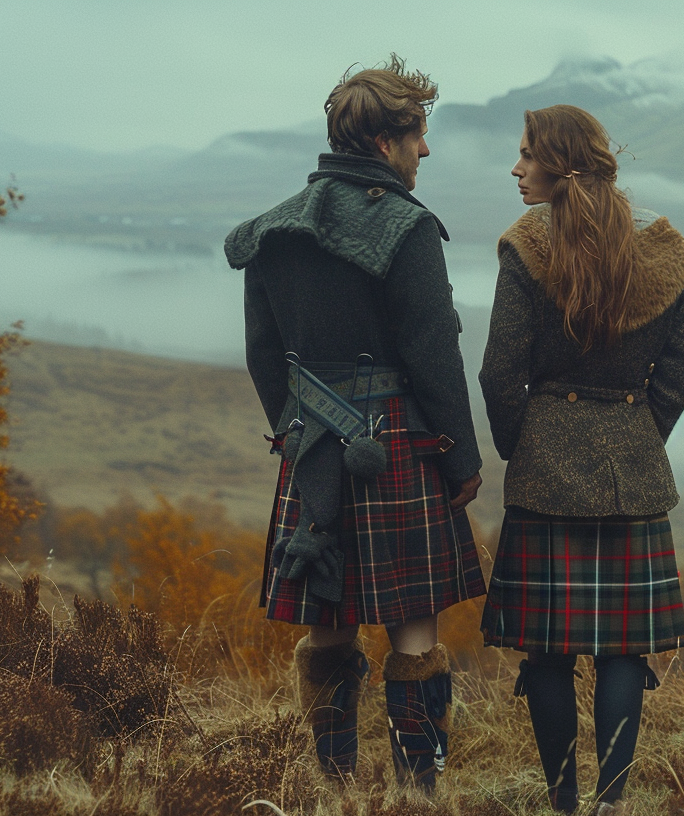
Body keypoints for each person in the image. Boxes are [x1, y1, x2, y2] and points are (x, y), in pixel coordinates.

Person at [224, 55, 483, 792]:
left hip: (311, 448)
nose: (424, 149)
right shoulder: (406, 228)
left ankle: (335, 783)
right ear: (383, 143)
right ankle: (417, 789)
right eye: (418, 134)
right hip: (396, 445)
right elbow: (434, 353)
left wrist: (295, 431)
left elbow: (262, 354)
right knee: (412, 622)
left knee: (327, 619)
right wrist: (461, 458)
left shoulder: (271, 232)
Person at [478, 104, 684, 813]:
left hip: (544, 476)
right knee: (624, 648)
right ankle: (613, 799)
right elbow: (677, 378)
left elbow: (499, 373)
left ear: (560, 164)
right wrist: (629, 441)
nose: (516, 169)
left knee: (546, 648)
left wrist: (527, 446)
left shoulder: (525, 249)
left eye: (526, 156)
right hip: (631, 477)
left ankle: (562, 799)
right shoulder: (661, 250)